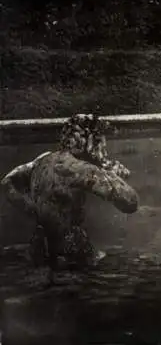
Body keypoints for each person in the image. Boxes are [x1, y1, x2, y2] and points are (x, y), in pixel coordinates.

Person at [1, 114, 139, 283]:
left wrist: (34, 210)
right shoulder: (81, 169)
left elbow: (7, 182)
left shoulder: (42, 160)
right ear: (90, 141)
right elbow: (131, 203)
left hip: (39, 247)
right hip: (72, 248)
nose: (104, 147)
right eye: (101, 141)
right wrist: (109, 172)